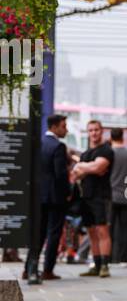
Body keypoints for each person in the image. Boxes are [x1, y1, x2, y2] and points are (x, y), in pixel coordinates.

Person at [29, 113, 70, 282]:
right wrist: (68, 192)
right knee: (53, 233)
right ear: (54, 127)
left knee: (38, 233)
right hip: (55, 197)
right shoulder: (58, 146)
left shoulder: (37, 143)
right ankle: (47, 270)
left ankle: (29, 268)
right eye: (63, 126)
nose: (66, 130)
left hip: (39, 196)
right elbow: (60, 174)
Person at [71, 120, 114, 277]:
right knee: (91, 232)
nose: (94, 133)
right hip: (86, 196)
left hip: (101, 196)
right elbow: (76, 174)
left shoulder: (106, 150)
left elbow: (98, 168)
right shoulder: (85, 153)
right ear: (87, 133)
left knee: (102, 230)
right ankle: (96, 265)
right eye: (90, 130)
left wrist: (83, 167)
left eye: (96, 130)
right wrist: (89, 168)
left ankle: (104, 266)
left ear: (101, 131)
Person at [108, 128, 127, 265]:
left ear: (111, 137)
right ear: (122, 137)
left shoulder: (109, 153)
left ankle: (110, 256)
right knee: (125, 227)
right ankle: (123, 257)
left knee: (110, 227)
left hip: (111, 195)